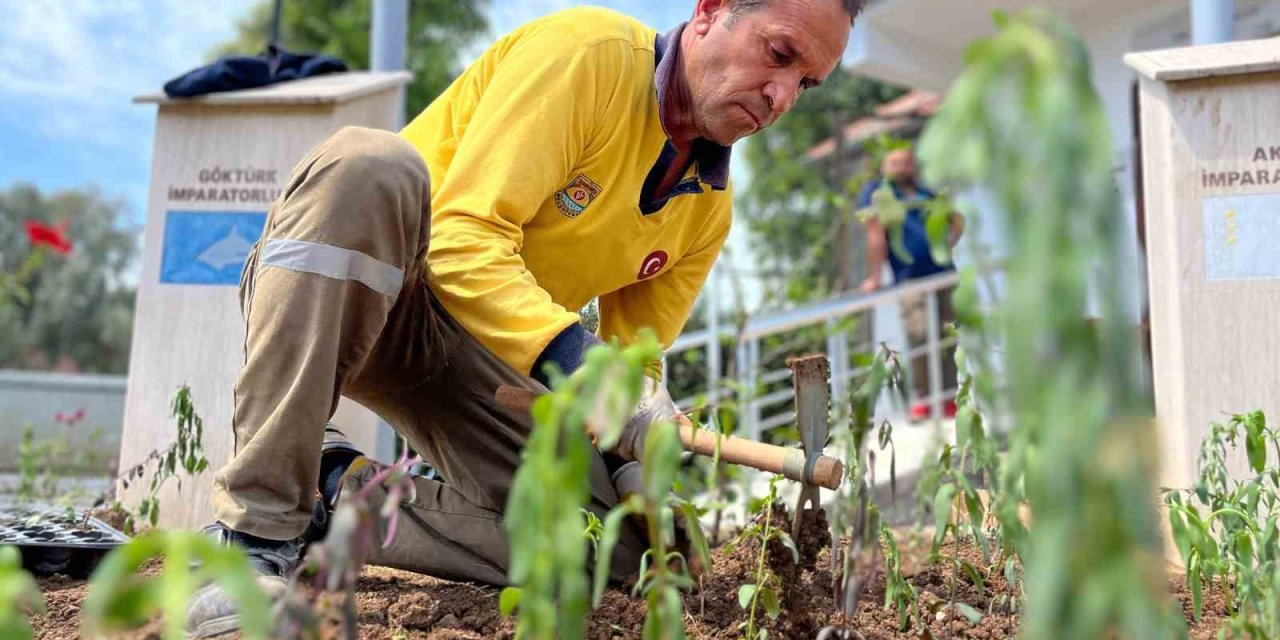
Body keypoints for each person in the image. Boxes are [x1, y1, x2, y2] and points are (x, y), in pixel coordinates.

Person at [185, 0, 859, 636]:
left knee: (610, 553)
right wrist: (580, 363)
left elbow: (635, 357)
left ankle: (336, 495)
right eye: (779, 54)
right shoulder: (587, 58)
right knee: (369, 165)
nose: (781, 97)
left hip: (480, 360)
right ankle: (253, 535)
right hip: (365, 283)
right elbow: (458, 239)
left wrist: (636, 473)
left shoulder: (705, 210)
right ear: (711, 10)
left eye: (806, 84)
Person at [857, 147, 964, 422]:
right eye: (895, 163)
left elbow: (956, 219)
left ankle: (948, 398)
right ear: (883, 167)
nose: (902, 167)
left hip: (942, 273)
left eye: (907, 162)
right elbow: (875, 236)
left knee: (947, 336)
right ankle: (923, 399)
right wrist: (875, 277)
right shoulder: (877, 194)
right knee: (920, 334)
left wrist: (947, 243)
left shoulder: (926, 194)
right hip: (909, 278)